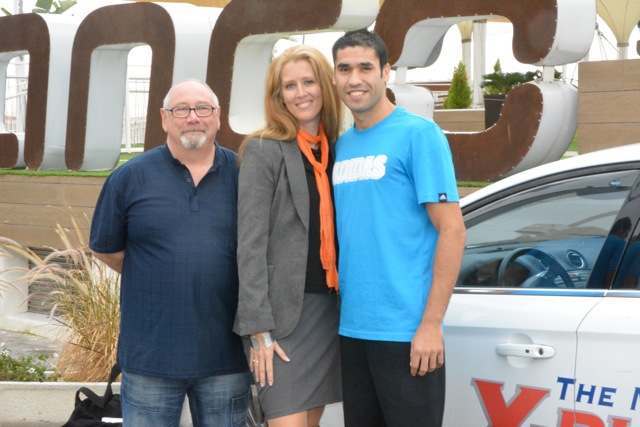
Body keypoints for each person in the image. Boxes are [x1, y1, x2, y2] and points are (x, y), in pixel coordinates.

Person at [89, 79, 251, 427]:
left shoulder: (244, 175)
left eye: (202, 108)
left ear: (217, 117)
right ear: (165, 119)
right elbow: (106, 250)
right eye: (181, 109)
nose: (192, 117)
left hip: (227, 359)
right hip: (151, 360)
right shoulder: (129, 178)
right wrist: (158, 272)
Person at [331, 29, 467, 427]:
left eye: (365, 67)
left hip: (407, 332)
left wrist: (430, 324)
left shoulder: (419, 135)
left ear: (386, 72)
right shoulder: (343, 145)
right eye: (344, 69)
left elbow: (452, 230)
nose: (354, 79)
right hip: (353, 329)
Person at [233, 45, 343, 427]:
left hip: (331, 313)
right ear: (278, 96)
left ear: (325, 86)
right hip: (283, 322)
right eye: (290, 86)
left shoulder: (339, 150)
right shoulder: (263, 150)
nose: (301, 93)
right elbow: (249, 246)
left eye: (308, 82)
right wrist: (259, 330)